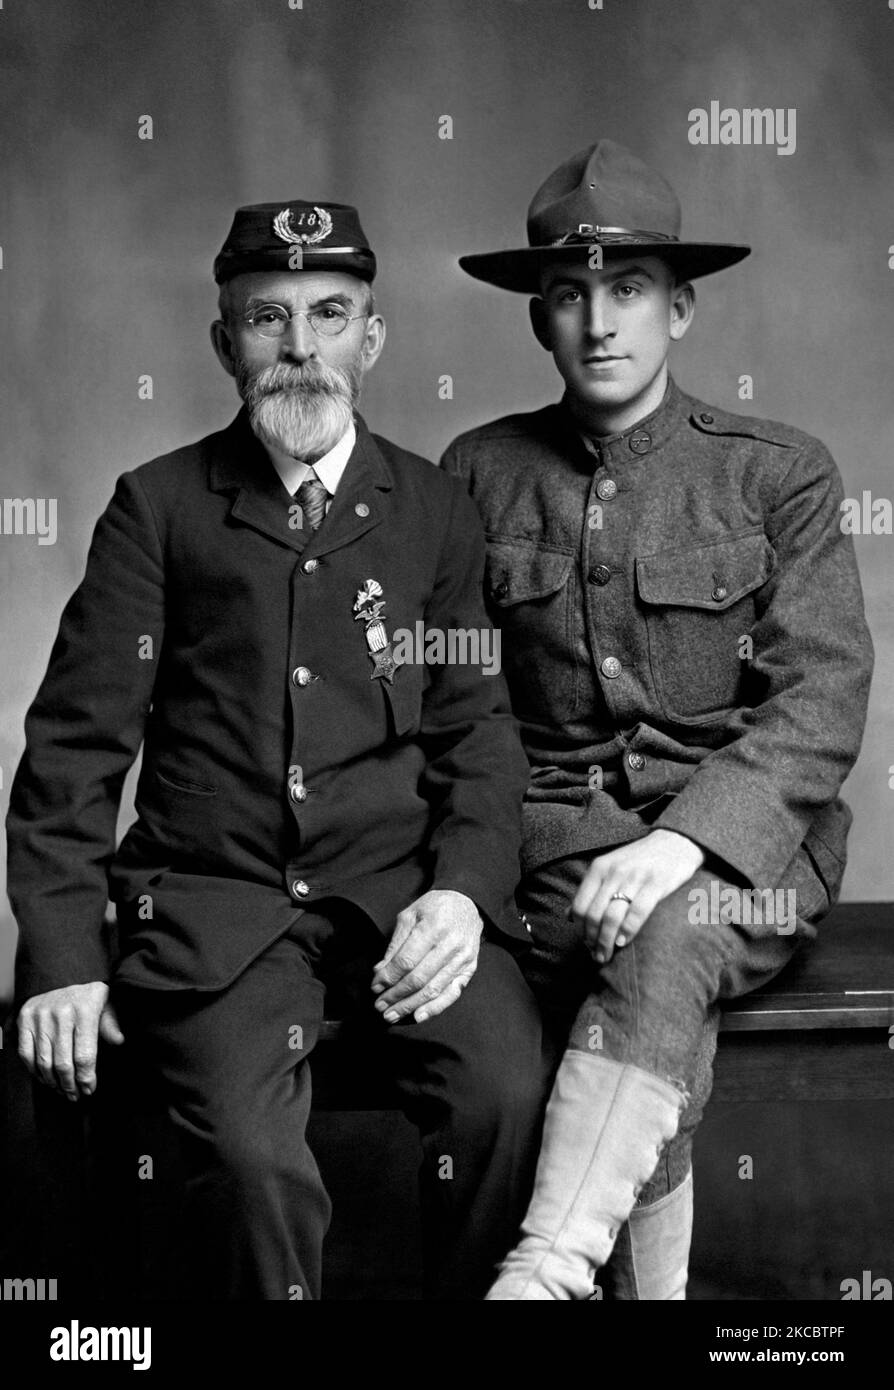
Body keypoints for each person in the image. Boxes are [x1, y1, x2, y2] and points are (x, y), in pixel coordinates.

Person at [6, 198, 545, 1301]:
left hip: (396, 895)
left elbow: (477, 735)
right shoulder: (157, 509)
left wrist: (464, 896)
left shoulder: (435, 510)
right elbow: (73, 751)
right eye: (268, 319)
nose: (302, 348)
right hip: (216, 908)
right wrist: (60, 959)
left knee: (503, 1093)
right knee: (251, 1165)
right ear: (225, 343)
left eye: (331, 314)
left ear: (373, 339)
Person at [442, 139, 874, 1300]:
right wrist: (579, 854)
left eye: (629, 290)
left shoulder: (777, 472)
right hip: (554, 855)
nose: (600, 321)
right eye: (571, 294)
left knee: (673, 929)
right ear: (540, 317)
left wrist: (683, 843)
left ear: (680, 309)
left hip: (749, 853)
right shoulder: (478, 475)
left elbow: (820, 698)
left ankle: (545, 1270)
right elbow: (462, 712)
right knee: (645, 959)